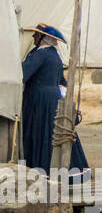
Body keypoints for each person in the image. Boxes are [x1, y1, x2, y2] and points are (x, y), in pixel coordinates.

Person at [22, 24, 90, 176]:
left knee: (42, 132)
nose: (34, 37)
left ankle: (43, 170)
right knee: (52, 131)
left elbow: (23, 73)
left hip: (40, 100)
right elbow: (61, 81)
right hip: (53, 97)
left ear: (43, 38)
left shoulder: (41, 54)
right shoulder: (54, 55)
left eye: (36, 35)